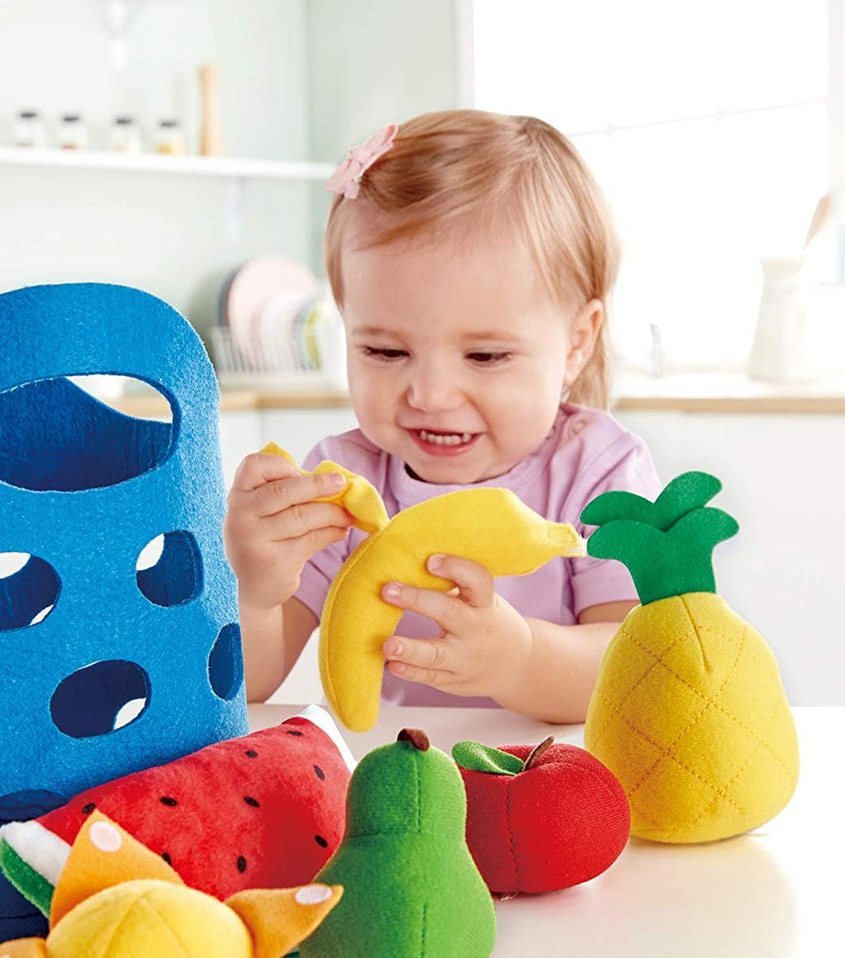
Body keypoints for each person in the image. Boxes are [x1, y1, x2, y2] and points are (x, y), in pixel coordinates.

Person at [223, 110, 662, 724]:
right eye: (385, 350)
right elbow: (250, 685)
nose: (428, 394)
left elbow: (637, 665)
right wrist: (255, 591)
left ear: (576, 342)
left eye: (484, 355)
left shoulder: (598, 472)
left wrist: (522, 660)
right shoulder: (344, 479)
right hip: (390, 781)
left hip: (555, 784)